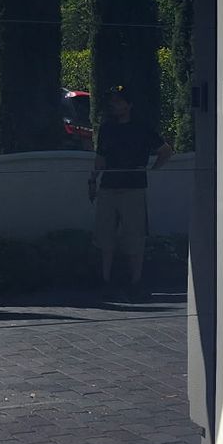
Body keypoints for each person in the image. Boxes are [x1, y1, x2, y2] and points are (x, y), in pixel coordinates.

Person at [88, 85, 173, 300]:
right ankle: (104, 280)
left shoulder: (142, 128)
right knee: (105, 234)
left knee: (134, 236)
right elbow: (101, 157)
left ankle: (136, 281)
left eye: (119, 101)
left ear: (129, 104)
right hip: (109, 186)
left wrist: (152, 169)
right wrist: (93, 179)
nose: (115, 105)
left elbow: (165, 150)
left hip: (133, 187)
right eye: (113, 102)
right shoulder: (107, 128)